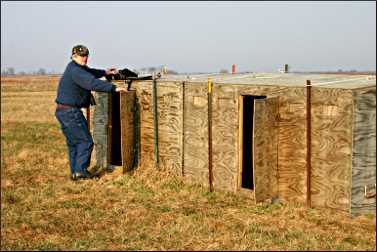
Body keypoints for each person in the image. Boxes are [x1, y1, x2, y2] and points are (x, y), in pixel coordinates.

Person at [55, 44, 128, 181]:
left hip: (63, 110)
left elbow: (90, 73)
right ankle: (81, 171)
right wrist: (114, 89)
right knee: (85, 142)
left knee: (74, 143)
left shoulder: (76, 68)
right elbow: (92, 83)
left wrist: (105, 72)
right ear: (74, 56)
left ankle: (75, 172)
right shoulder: (76, 71)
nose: (85, 58)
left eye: (86, 55)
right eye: (82, 56)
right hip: (70, 112)